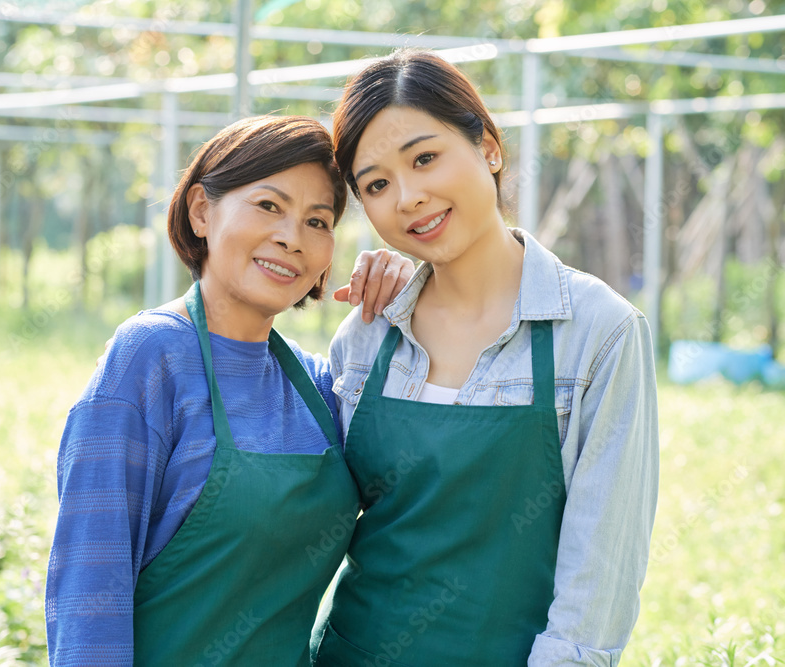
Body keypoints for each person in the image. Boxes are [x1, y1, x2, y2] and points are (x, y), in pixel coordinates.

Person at [310, 49, 660, 665]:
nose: (409, 197)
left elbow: (599, 576)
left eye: (425, 158)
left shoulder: (597, 333)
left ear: (489, 148)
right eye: (377, 185)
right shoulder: (365, 336)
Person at [45, 115, 413, 666]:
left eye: (318, 220)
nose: (292, 237)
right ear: (201, 211)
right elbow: (90, 588)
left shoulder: (317, 388)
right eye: (269, 206)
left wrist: (411, 299)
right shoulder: (150, 358)